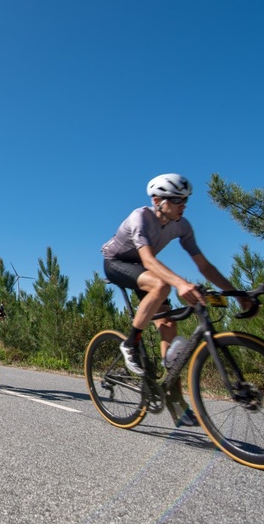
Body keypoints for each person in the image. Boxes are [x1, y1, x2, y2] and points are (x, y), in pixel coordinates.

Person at [101, 173, 252, 426]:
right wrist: (180, 283)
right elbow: (149, 260)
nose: (183, 204)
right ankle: (130, 343)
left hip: (142, 269)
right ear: (158, 200)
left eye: (185, 200)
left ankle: (174, 399)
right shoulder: (141, 217)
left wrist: (236, 293)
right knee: (162, 286)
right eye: (177, 199)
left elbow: (204, 266)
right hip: (117, 263)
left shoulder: (182, 226)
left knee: (170, 327)